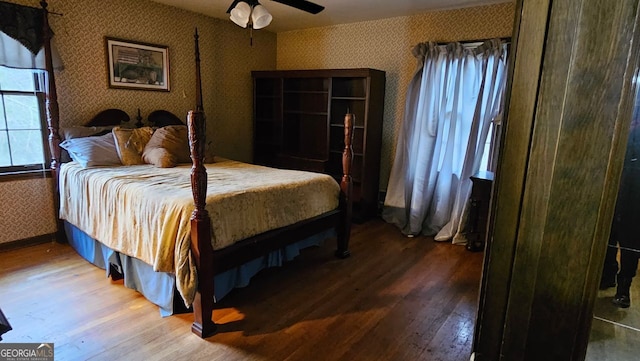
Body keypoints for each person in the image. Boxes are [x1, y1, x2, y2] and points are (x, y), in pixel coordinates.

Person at [606, 116, 640, 308]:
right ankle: (608, 276)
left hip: (634, 196)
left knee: (630, 242)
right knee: (609, 236)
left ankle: (623, 289)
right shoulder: (621, 127)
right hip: (615, 189)